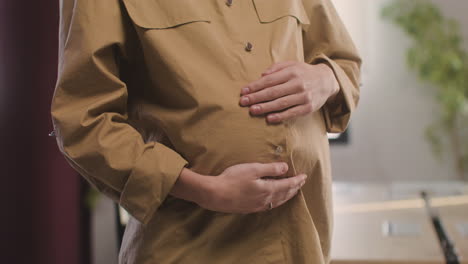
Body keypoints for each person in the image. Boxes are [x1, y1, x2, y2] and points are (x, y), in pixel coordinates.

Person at [50, 0, 361, 263]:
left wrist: (325, 78)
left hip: (301, 241)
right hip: (189, 244)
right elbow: (82, 120)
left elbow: (345, 63)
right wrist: (202, 189)